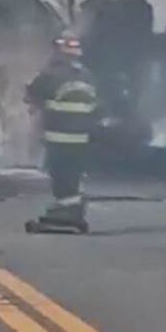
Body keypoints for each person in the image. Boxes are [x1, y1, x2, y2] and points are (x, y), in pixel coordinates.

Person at [25, 31, 99, 232]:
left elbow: (32, 95)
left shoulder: (51, 75)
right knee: (73, 175)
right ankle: (71, 210)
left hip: (58, 139)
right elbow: (97, 107)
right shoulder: (88, 76)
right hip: (81, 140)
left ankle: (67, 213)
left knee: (61, 177)